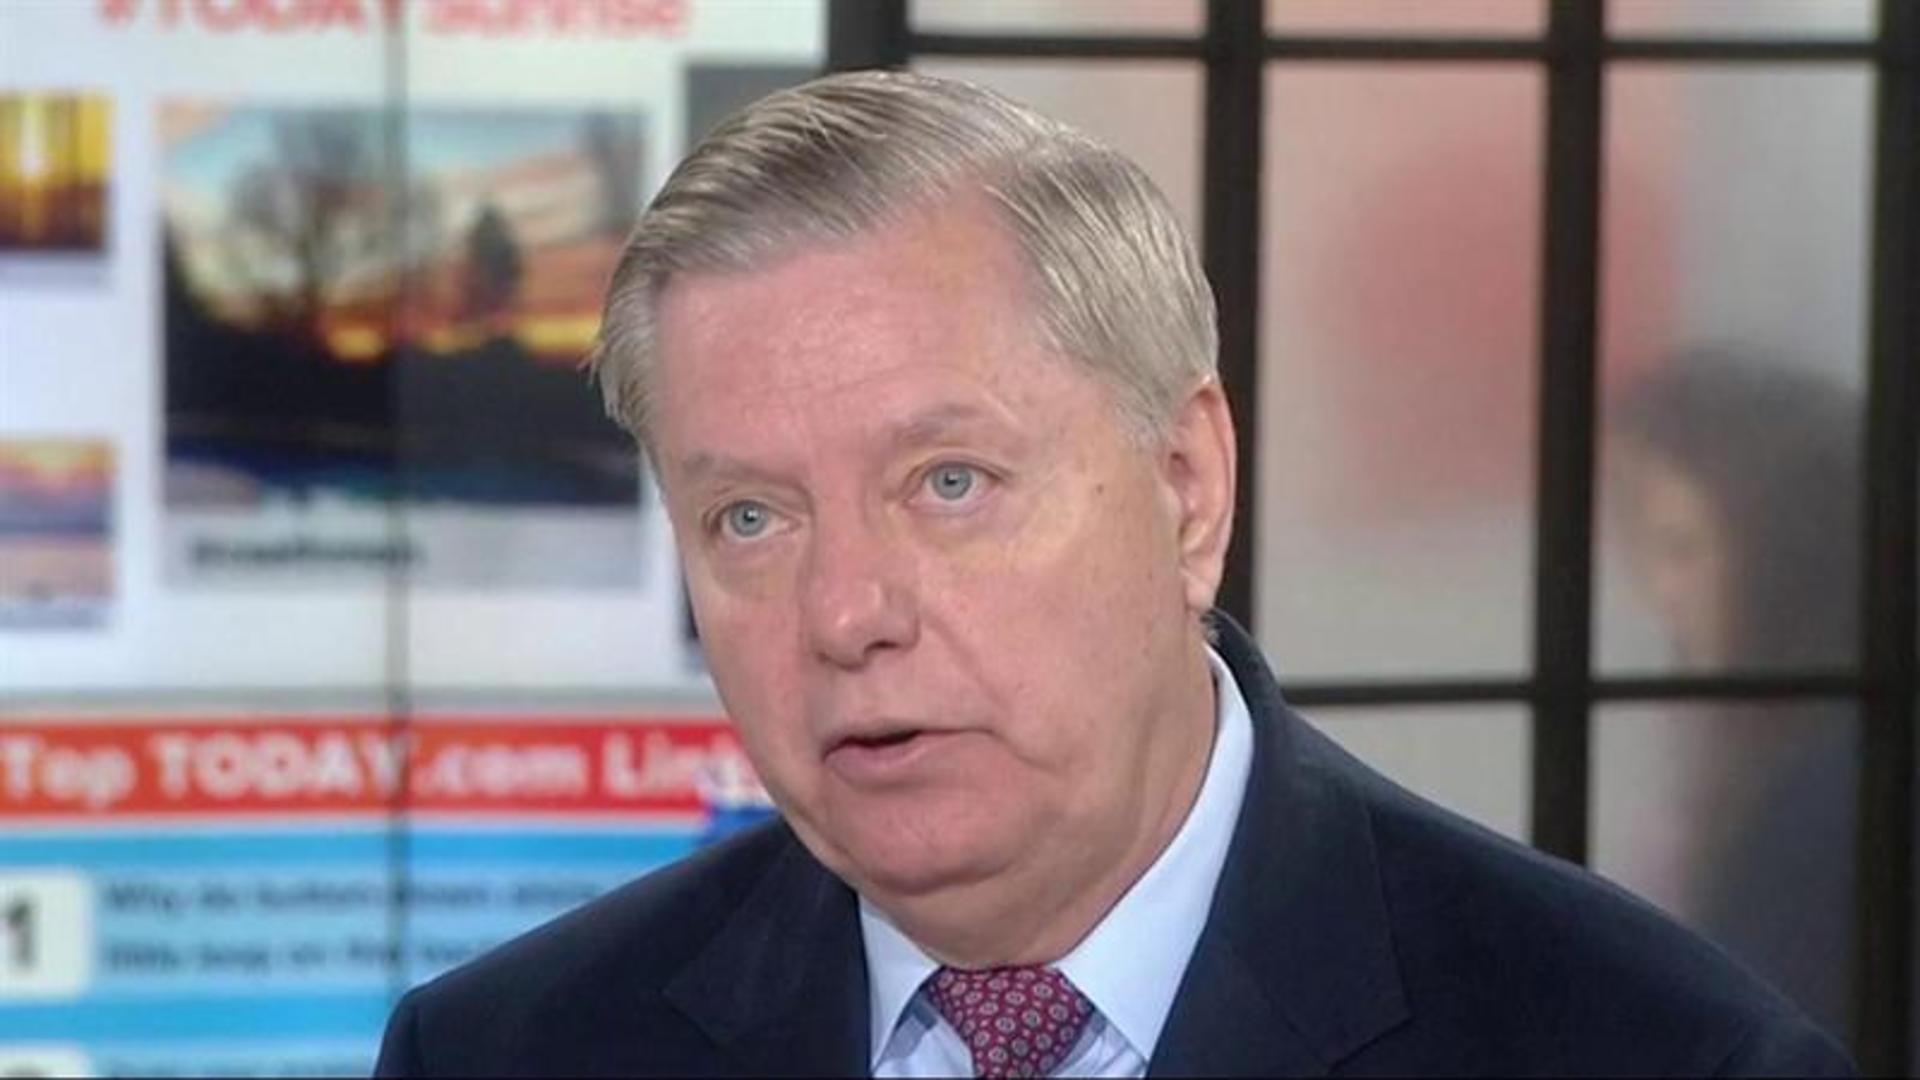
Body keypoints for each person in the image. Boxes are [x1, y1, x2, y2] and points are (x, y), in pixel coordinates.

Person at [374, 71, 1853, 1077]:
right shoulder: (506, 1050)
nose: (846, 615)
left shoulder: (1657, 1050)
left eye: (949, 484)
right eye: (750, 519)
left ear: (1186, 487)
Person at [1607, 353, 1862, 1036]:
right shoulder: (1782, 759)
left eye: (1683, 549)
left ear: (1780, 552)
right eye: (1647, 551)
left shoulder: (1822, 785)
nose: (1658, 592)